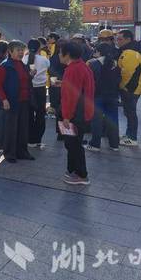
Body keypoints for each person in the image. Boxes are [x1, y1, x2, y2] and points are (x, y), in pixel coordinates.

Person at [59, 41, 95, 185]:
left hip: (75, 113)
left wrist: (66, 116)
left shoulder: (73, 69)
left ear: (67, 54)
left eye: (60, 52)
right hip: (82, 111)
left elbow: (71, 96)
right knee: (73, 143)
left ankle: (81, 175)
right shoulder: (82, 66)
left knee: (73, 144)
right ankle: (72, 170)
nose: (59, 55)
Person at [0, 40, 35, 163]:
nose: (21, 53)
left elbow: (24, 80)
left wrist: (31, 75)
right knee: (11, 129)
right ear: (10, 51)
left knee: (23, 128)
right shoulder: (4, 66)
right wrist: (4, 99)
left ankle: (22, 152)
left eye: (22, 50)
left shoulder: (23, 65)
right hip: (11, 101)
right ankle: (10, 154)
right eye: (18, 50)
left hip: (24, 100)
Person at [85, 43, 121, 152]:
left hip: (98, 95)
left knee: (97, 120)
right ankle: (114, 144)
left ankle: (95, 144)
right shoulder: (115, 63)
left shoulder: (92, 63)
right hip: (113, 96)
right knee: (113, 119)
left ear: (99, 52)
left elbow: (88, 81)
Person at [116, 29, 141, 146]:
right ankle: (129, 134)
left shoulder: (130, 52)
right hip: (133, 87)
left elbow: (127, 73)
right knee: (129, 113)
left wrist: (121, 85)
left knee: (130, 113)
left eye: (120, 39)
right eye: (117, 39)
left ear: (128, 39)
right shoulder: (132, 50)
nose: (118, 42)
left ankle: (132, 137)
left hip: (130, 88)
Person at [23, 39, 50, 147]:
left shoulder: (23, 59)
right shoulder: (44, 59)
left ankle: (30, 139)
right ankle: (38, 139)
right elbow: (48, 68)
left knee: (29, 114)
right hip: (41, 89)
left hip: (28, 89)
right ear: (39, 48)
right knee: (40, 114)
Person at [49, 39, 67, 140]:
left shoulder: (53, 58)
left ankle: (60, 133)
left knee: (59, 111)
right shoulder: (66, 58)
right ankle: (64, 132)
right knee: (65, 110)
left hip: (55, 85)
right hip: (65, 86)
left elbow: (51, 72)